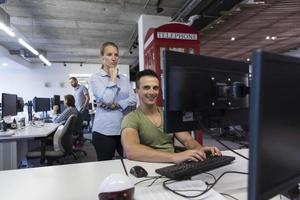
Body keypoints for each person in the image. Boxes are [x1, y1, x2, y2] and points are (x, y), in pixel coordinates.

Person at [121, 69, 222, 164]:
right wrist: (174, 157)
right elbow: (132, 150)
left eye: (155, 88)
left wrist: (199, 149)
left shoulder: (168, 115)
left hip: (172, 165)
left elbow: (188, 140)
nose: (152, 92)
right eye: (146, 88)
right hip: (149, 165)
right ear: (137, 91)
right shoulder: (131, 118)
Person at [89, 41, 137, 161]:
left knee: (129, 163)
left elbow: (133, 99)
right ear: (102, 57)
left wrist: (116, 105)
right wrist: (113, 78)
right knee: (105, 166)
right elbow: (107, 100)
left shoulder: (125, 79)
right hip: (104, 130)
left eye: (116, 55)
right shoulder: (96, 78)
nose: (113, 58)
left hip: (124, 128)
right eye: (109, 54)